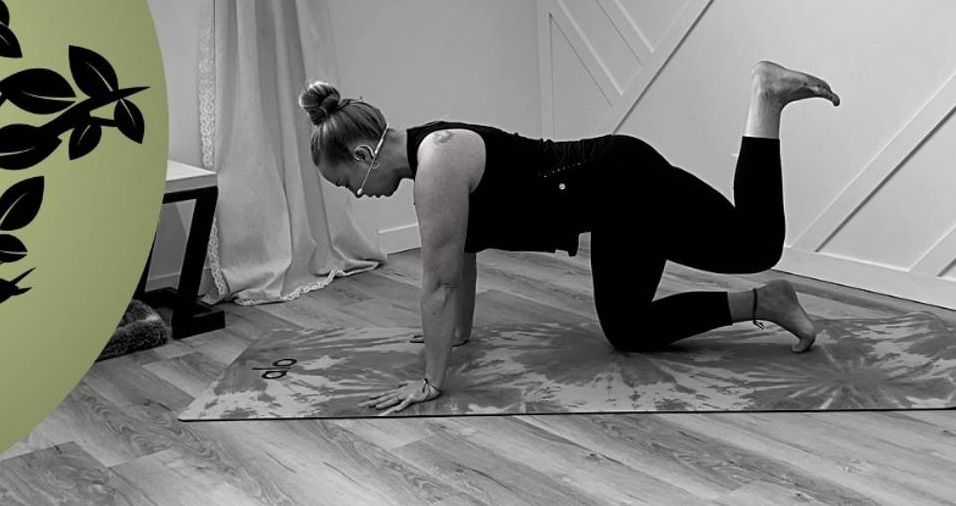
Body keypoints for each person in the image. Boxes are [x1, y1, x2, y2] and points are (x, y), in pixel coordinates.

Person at [297, 60, 841, 414]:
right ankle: (767, 301)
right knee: (628, 329)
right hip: (610, 205)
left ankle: (766, 98)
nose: (357, 194)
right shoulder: (431, 156)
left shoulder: (436, 165)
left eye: (346, 183)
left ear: (363, 155)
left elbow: (438, 283)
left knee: (756, 244)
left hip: (624, 181)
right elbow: (462, 253)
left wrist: (431, 383)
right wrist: (458, 334)